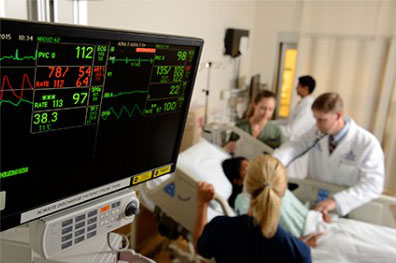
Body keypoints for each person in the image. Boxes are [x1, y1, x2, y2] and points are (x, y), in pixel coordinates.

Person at [272, 92, 385, 218]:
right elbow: (296, 146)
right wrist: (273, 162)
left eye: (322, 120)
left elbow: (373, 185)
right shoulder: (318, 132)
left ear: (338, 116)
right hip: (314, 201)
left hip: (345, 208)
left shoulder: (367, 143)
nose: (317, 124)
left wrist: (335, 202)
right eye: (315, 119)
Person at [193, 155, 315, 263]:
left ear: (247, 185)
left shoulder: (220, 227)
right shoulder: (298, 251)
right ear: (284, 189)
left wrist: (202, 203)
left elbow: (200, 248)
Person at [274, 75, 316, 141]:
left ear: (306, 88)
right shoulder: (303, 103)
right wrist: (270, 124)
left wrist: (270, 128)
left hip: (295, 142)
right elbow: (288, 121)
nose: (296, 88)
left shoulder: (308, 107)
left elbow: (291, 131)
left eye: (298, 85)